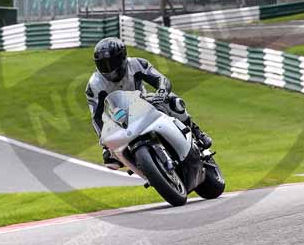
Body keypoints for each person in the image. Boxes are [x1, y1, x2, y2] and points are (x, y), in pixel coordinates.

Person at [86, 38, 212, 169]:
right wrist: (104, 140)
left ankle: (197, 133)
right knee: (111, 160)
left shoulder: (137, 64)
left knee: (174, 102)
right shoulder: (94, 84)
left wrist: (162, 91)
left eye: (112, 63)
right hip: (118, 117)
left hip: (143, 101)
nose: (109, 69)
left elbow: (160, 79)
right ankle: (143, 167)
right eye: (104, 65)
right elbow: (96, 116)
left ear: (123, 57)